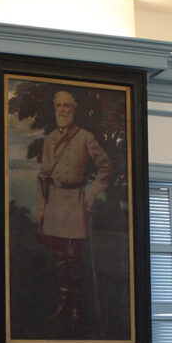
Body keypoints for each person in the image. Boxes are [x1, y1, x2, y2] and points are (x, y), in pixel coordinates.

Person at [35, 90, 113, 327]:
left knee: (74, 259)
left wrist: (91, 192)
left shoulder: (85, 137)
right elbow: (43, 176)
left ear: (74, 109)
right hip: (55, 202)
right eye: (58, 105)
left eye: (67, 106)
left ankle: (77, 307)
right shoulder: (49, 140)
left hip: (76, 201)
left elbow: (106, 168)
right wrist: (41, 207)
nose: (62, 110)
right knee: (59, 259)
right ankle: (63, 304)